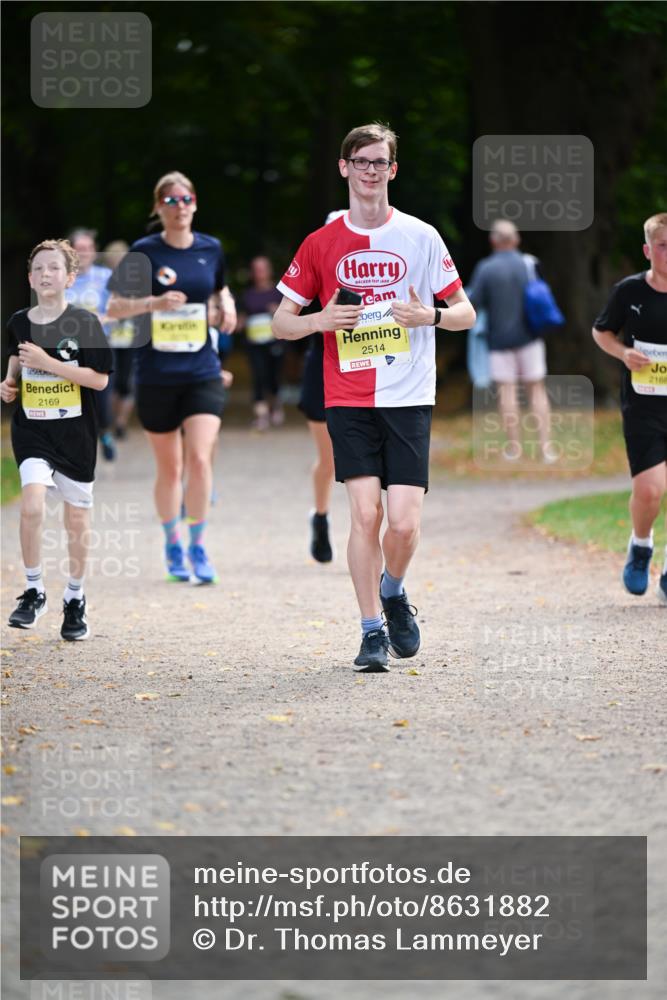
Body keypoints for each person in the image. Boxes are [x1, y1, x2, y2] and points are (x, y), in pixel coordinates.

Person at [272, 122, 475, 671]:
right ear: (344, 168)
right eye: (360, 161)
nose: (369, 171)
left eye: (379, 162)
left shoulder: (421, 236)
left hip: (409, 395)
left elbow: (465, 313)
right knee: (366, 514)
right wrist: (320, 319)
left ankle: (393, 589)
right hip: (348, 395)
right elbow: (278, 324)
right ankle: (368, 632)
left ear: (392, 170)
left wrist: (427, 314)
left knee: (403, 524)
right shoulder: (320, 243)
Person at [106, 171, 236, 584]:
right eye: (171, 201)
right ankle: (172, 542)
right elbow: (113, 308)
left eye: (186, 199)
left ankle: (198, 544)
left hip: (202, 371)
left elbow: (220, 290)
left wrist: (227, 307)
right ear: (159, 208)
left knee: (199, 457)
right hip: (157, 373)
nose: (180, 207)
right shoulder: (143, 252)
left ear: (195, 203)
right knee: (171, 467)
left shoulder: (211, 248)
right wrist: (154, 303)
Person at [1, 239, 113, 639]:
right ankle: (33, 591)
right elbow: (17, 355)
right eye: (38, 268)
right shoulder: (19, 321)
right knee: (31, 503)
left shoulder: (85, 323)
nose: (45, 274)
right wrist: (10, 381)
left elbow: (99, 379)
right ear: (29, 277)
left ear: (70, 277)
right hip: (33, 428)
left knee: (76, 519)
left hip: (75, 435)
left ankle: (75, 598)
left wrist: (50, 364)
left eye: (53, 268)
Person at [592, 212, 667, 604]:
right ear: (648, 249)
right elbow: (601, 332)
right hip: (643, 406)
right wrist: (624, 354)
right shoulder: (630, 292)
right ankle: (641, 545)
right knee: (651, 490)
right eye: (663, 246)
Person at [466, 219, 555, 462]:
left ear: (493, 241)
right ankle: (545, 448)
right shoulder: (529, 263)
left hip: (499, 341)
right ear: (516, 240)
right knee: (536, 389)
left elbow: (471, 303)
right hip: (530, 337)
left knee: (507, 392)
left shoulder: (485, 269)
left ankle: (514, 448)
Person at [298, 211, 346, 563]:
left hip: (371, 368)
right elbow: (287, 319)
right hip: (324, 369)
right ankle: (321, 515)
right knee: (328, 458)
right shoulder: (314, 267)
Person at [66, 229, 117, 461]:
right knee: (74, 397)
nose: (83, 253)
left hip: (100, 347)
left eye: (87, 248)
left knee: (102, 401)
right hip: (68, 348)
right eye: (79, 248)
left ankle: (105, 432)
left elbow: (119, 309)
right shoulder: (63, 278)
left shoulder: (106, 277)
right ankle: (78, 446)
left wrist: (104, 319)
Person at [237, 256, 284, 431]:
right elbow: (242, 316)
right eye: (256, 269)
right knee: (258, 377)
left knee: (273, 377)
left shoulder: (278, 292)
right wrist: (238, 322)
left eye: (262, 268)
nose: (259, 273)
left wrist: (277, 312)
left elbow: (290, 316)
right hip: (254, 343)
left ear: (269, 270)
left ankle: (275, 405)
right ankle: (261, 416)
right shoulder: (248, 294)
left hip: (275, 342)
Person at [101, 240, 136, 440]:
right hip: (109, 338)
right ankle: (113, 421)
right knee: (110, 381)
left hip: (130, 338)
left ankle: (121, 422)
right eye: (113, 259)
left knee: (126, 382)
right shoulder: (102, 281)